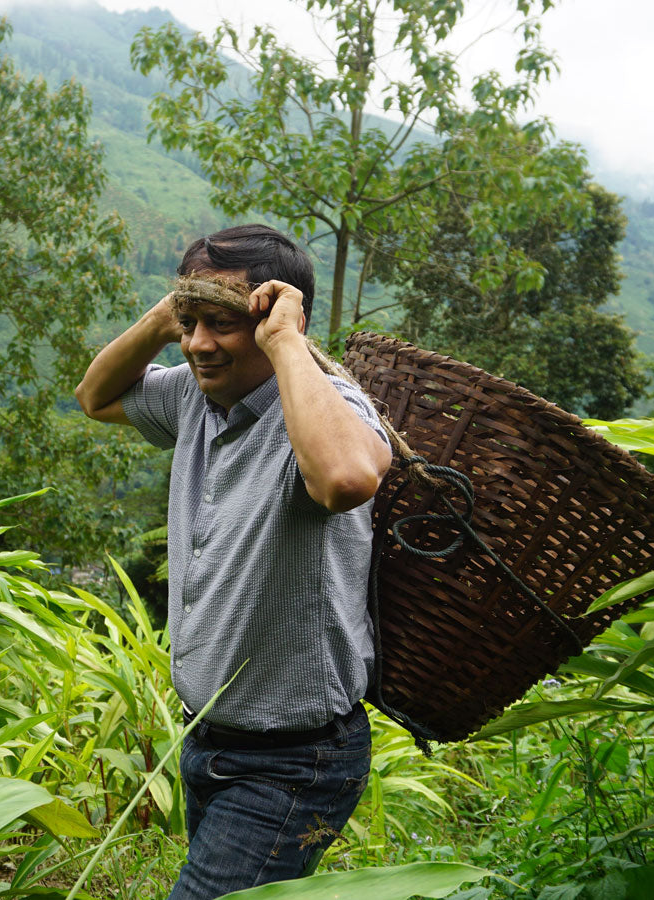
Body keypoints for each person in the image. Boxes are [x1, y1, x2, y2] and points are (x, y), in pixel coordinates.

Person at [74, 224, 392, 899]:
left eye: (221, 323)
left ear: (279, 318)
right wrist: (167, 317)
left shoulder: (330, 410)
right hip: (210, 740)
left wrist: (285, 343)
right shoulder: (195, 397)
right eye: (191, 323)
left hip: (293, 759)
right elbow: (95, 396)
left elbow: (345, 480)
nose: (198, 344)